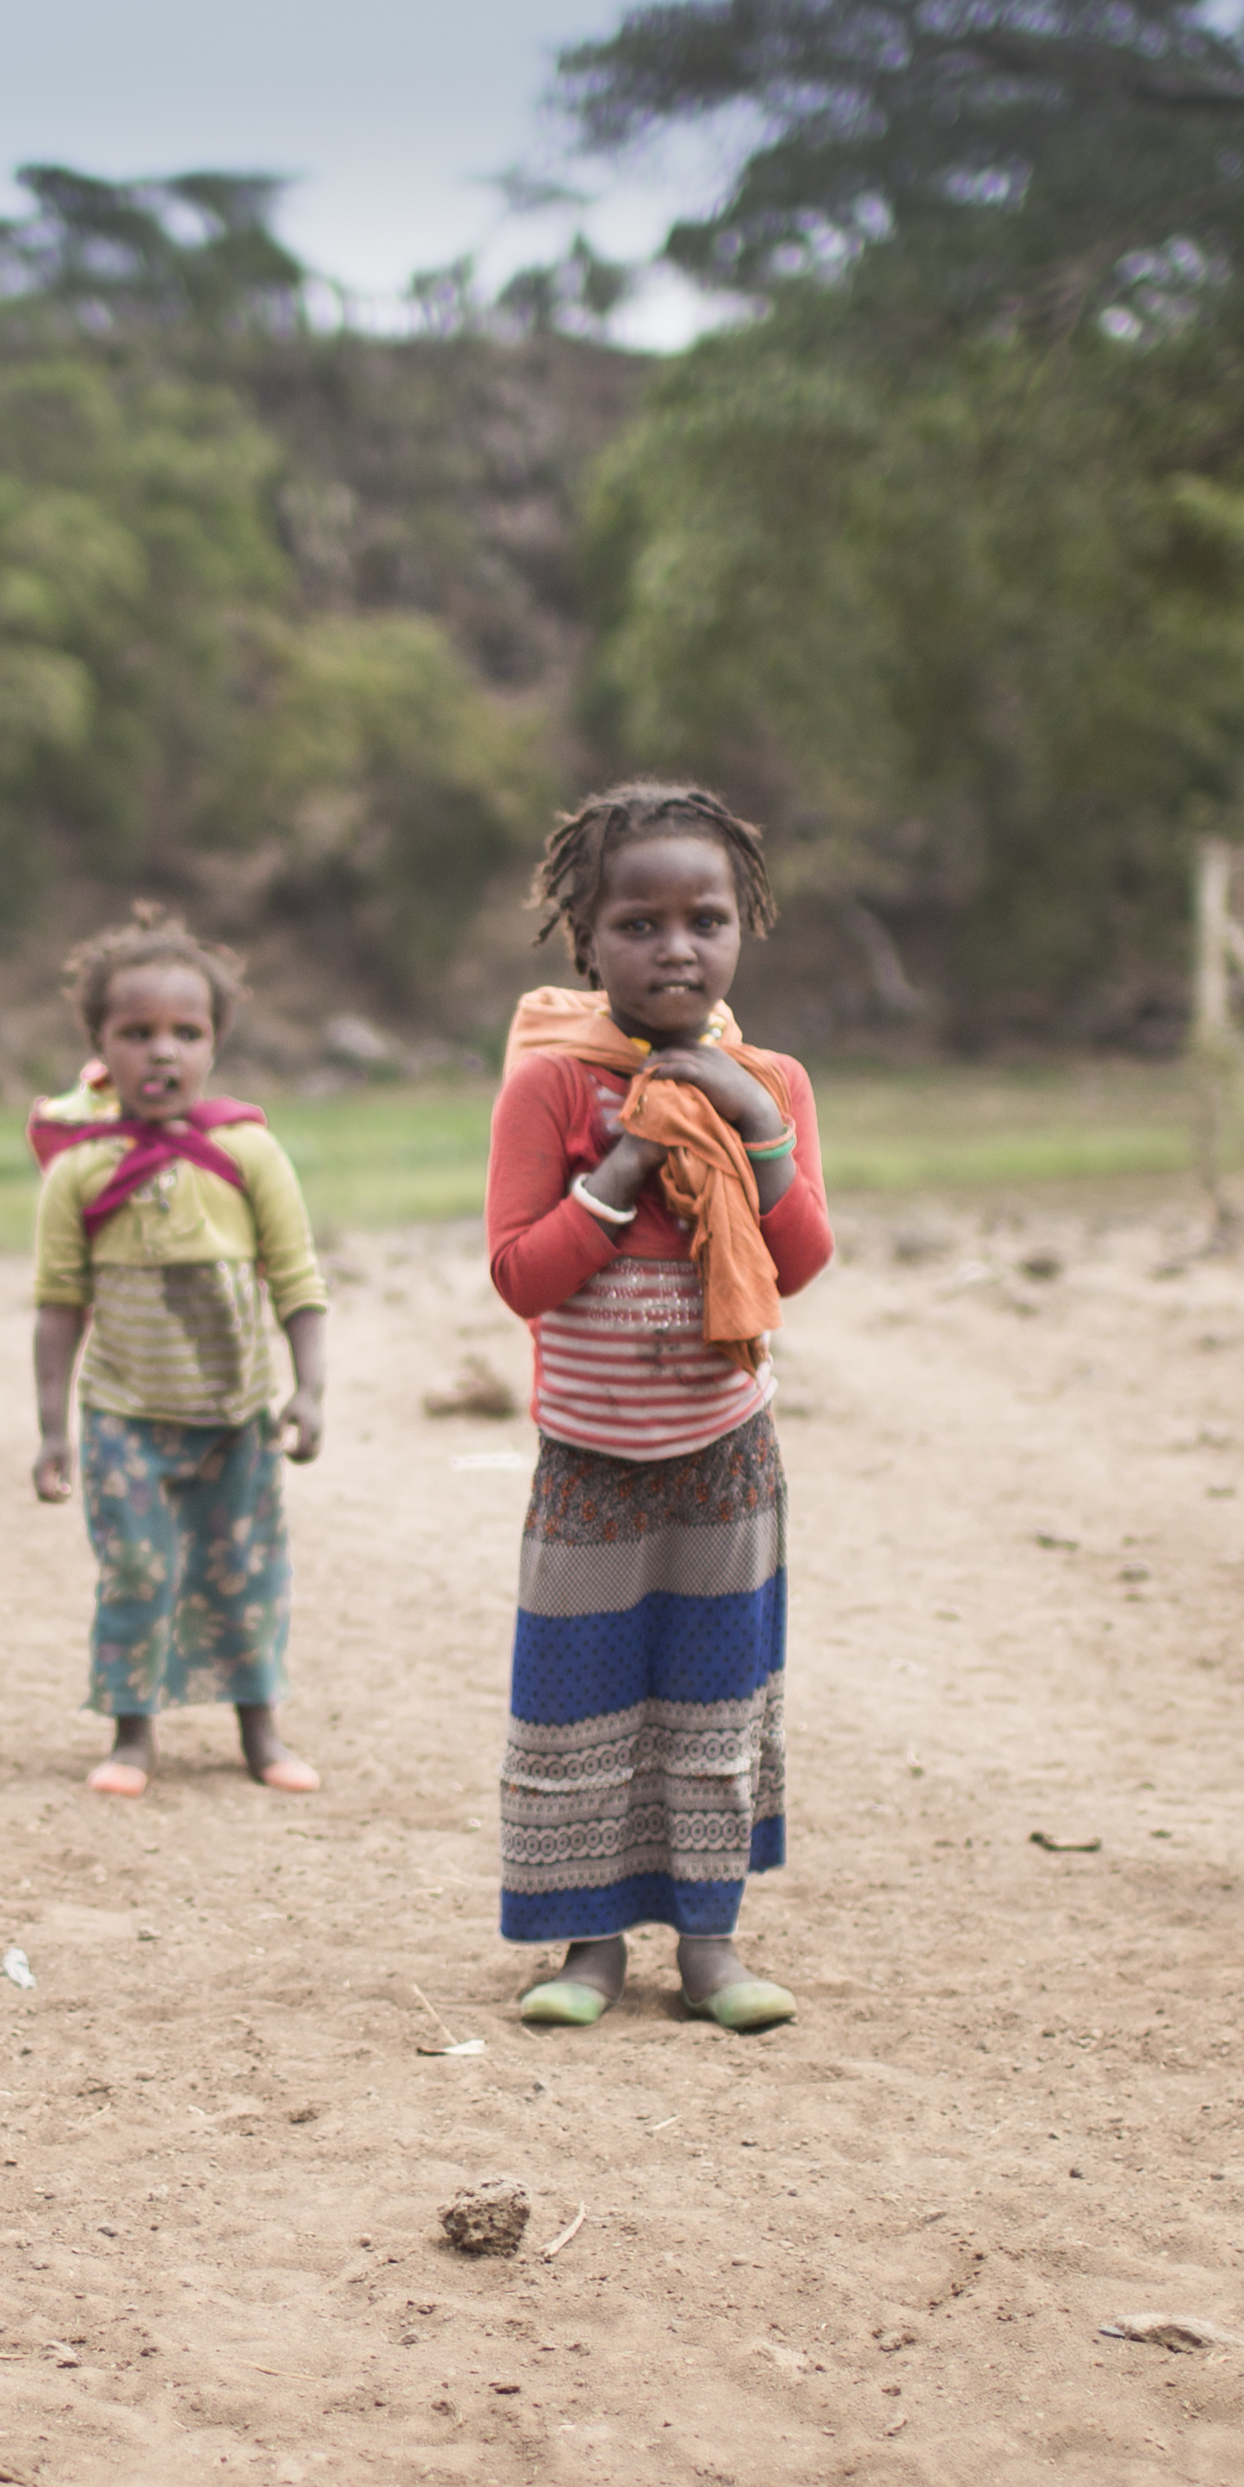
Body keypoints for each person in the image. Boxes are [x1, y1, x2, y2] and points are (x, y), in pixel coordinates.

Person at [482, 782, 832, 2032]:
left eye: (706, 918)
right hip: (588, 1458)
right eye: (639, 923)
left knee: (712, 1695)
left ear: (742, 930)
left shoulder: (768, 1079)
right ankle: (586, 1950)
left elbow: (796, 1262)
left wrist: (756, 1130)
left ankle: (710, 1950)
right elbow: (521, 1273)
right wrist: (623, 1165)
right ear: (587, 942)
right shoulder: (550, 1091)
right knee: (579, 1697)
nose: (675, 945)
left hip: (722, 1452)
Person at [26, 907, 332, 1796]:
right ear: (98, 1043)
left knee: (245, 1571)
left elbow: (298, 1284)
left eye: (186, 1033)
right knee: (136, 1568)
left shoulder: (250, 1152)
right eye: (137, 1033)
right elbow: (57, 1307)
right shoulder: (78, 1167)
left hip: (237, 1419)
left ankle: (261, 1733)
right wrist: (53, 1433)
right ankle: (132, 1735)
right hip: (123, 1417)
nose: (163, 1052)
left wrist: (308, 1392)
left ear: (216, 1042)